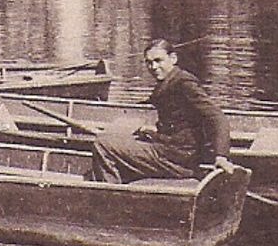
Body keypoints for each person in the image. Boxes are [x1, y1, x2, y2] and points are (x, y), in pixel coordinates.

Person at [90, 38, 236, 182]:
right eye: (148, 62)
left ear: (173, 58)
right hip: (172, 149)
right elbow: (161, 103)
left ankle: (109, 196)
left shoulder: (184, 83)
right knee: (124, 138)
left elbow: (217, 117)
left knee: (103, 144)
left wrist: (221, 156)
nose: (153, 67)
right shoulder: (169, 81)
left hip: (175, 156)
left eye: (158, 60)